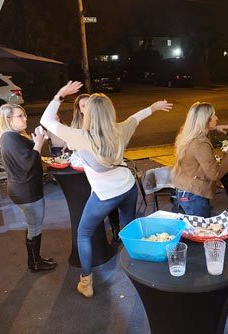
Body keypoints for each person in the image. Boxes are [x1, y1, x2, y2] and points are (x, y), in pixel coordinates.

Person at [41, 80, 173, 298]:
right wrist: (153, 107)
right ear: (109, 111)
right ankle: (137, 268)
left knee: (84, 233)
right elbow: (136, 118)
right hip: (128, 187)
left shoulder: (80, 136)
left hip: (105, 195)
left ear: (89, 114)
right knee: (128, 228)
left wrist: (60, 94)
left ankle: (86, 281)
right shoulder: (119, 129)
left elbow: (46, 120)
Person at [0, 104, 57, 273]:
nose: (25, 118)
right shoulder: (9, 138)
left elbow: (27, 157)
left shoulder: (11, 137)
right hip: (26, 191)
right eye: (20, 116)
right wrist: (38, 143)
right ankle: (35, 262)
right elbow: (28, 163)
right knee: (34, 227)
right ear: (8, 119)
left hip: (25, 189)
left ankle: (35, 259)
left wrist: (37, 141)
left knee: (33, 225)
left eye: (24, 115)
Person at [71, 93, 121, 241]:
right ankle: (96, 234)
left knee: (110, 200)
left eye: (90, 104)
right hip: (83, 173)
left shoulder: (103, 124)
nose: (87, 108)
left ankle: (115, 229)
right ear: (79, 110)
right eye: (83, 106)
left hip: (102, 172)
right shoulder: (76, 127)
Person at [173, 102, 228, 218]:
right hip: (194, 194)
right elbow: (215, 174)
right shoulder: (200, 144)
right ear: (206, 120)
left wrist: (216, 128)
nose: (217, 118)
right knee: (199, 230)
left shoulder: (187, 136)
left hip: (184, 189)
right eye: (214, 115)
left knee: (191, 227)